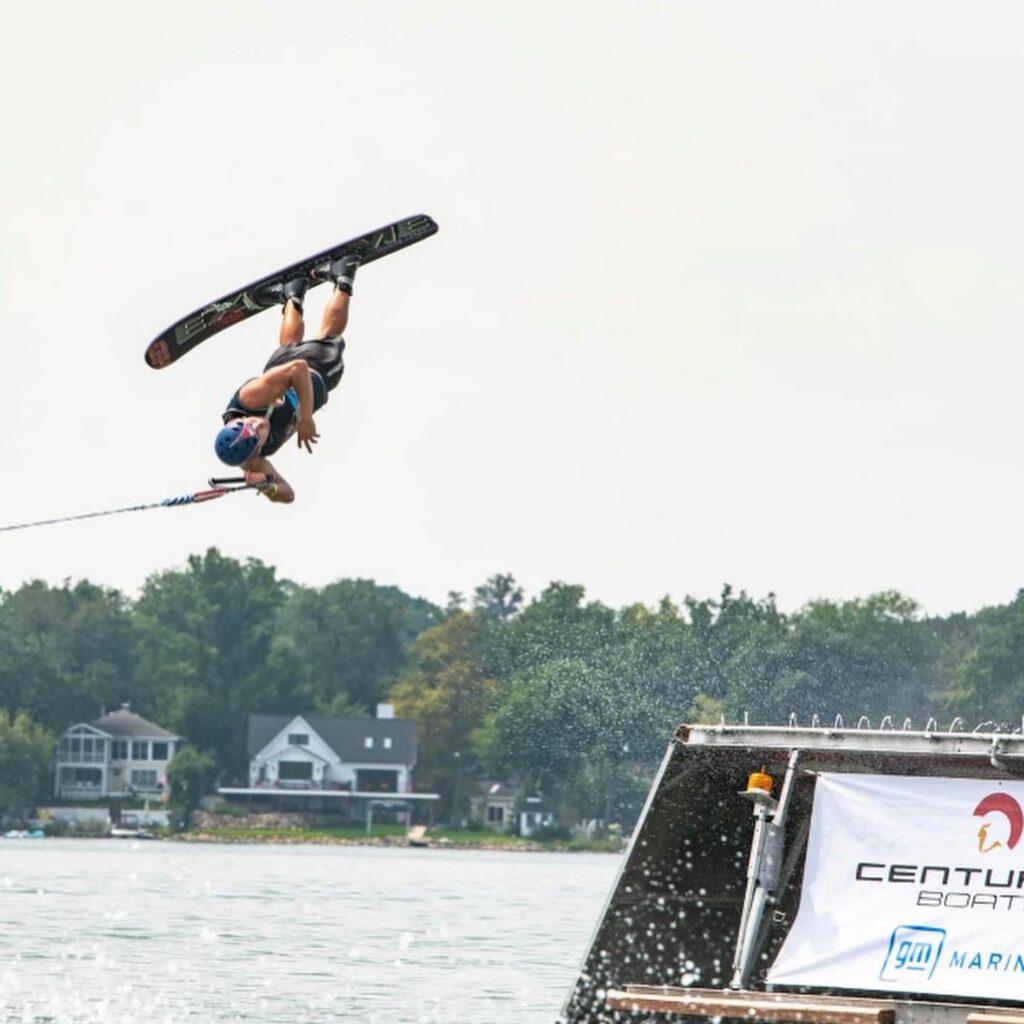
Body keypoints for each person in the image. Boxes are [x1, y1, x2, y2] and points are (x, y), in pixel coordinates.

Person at [213, 254, 361, 502]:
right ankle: (293, 292)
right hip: (283, 369)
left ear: (243, 420)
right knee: (289, 346)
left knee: (327, 336)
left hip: (314, 372)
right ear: (254, 450)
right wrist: (266, 486)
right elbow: (288, 495)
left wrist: (306, 419)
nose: (260, 426)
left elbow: (298, 369)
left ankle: (344, 274)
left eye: (252, 424)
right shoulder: (252, 460)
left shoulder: (249, 399)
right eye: (258, 434)